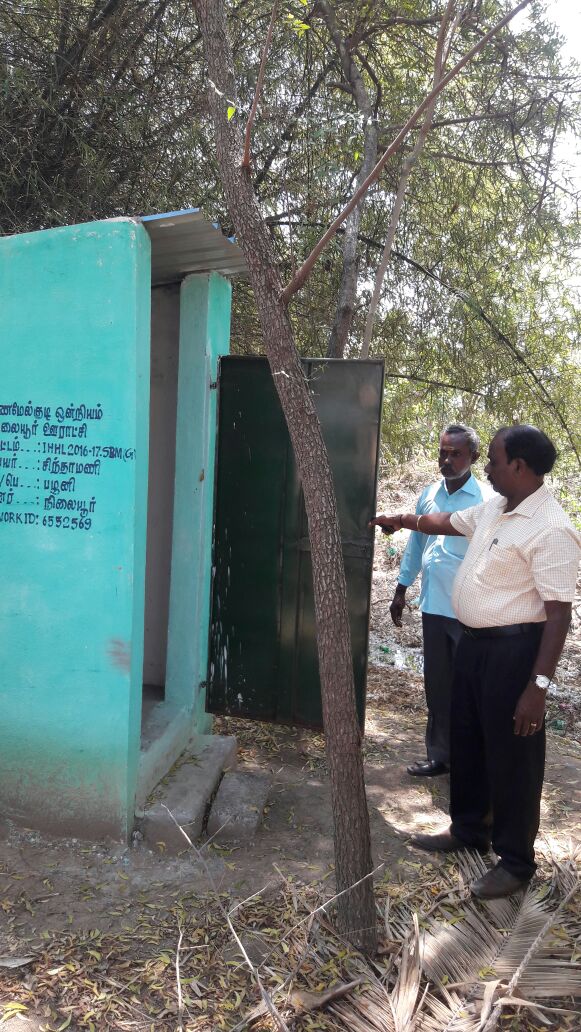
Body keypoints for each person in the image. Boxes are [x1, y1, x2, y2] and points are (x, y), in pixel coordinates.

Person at [370, 425, 580, 900]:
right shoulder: (495, 508)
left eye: (495, 460)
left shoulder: (552, 528)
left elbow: (559, 616)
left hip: (515, 654)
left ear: (520, 467)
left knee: (512, 756)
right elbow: (445, 523)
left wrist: (538, 687)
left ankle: (515, 861)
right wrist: (400, 519)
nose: (486, 467)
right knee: (467, 739)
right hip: (473, 645)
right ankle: (468, 828)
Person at [389, 423, 492, 778]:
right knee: (437, 684)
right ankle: (440, 756)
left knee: (469, 689)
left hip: (469, 612)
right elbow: (416, 544)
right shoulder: (429, 494)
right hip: (432, 606)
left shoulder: (486, 501)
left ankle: (469, 761)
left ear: (474, 458)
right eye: (443, 452)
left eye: (455, 454)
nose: (446, 460)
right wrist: (402, 589)